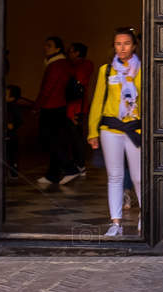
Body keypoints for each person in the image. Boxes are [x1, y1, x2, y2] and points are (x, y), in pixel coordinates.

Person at [88, 26, 142, 237]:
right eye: (118, 43)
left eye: (126, 43)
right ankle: (116, 222)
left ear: (134, 46)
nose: (122, 48)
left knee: (138, 177)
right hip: (110, 128)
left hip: (134, 127)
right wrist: (92, 131)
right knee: (115, 176)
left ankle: (143, 219)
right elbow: (97, 102)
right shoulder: (106, 70)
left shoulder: (142, 69)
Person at [34, 35, 80, 189]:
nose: (45, 48)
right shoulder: (59, 64)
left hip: (52, 107)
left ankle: (70, 168)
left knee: (51, 140)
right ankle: (52, 174)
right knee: (55, 140)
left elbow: (48, 87)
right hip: (57, 106)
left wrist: (37, 104)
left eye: (49, 45)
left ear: (58, 48)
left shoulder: (57, 65)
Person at [66, 41, 95, 170]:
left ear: (77, 53)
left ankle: (79, 164)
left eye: (71, 51)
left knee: (75, 136)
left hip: (76, 107)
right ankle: (78, 163)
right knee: (74, 136)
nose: (68, 54)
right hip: (77, 106)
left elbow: (76, 87)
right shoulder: (83, 65)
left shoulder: (82, 66)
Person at [4, 84, 25, 178]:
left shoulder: (13, 106)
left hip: (11, 135)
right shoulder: (5, 105)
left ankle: (14, 172)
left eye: (5, 94)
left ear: (12, 98)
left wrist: (13, 125)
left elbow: (20, 120)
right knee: (8, 154)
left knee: (12, 155)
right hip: (7, 134)